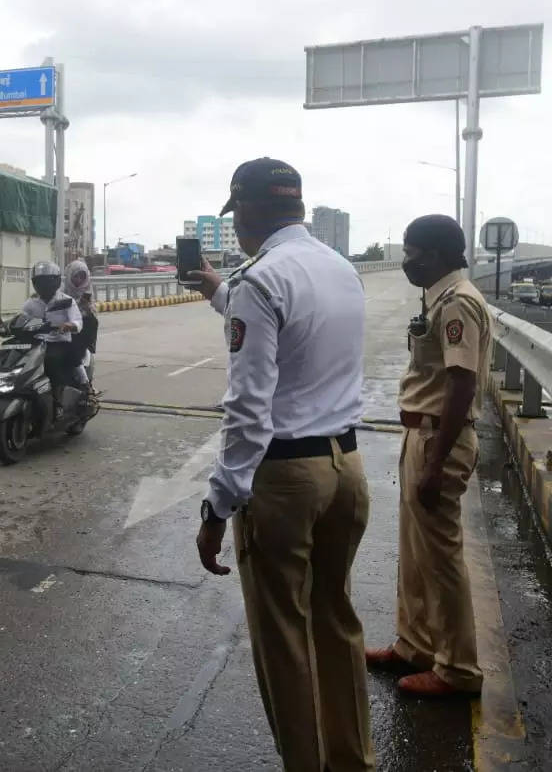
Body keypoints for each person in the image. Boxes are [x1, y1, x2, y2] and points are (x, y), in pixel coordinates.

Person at [187, 157, 374, 771]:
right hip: (346, 466)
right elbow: (294, 339)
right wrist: (221, 292)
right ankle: (352, 760)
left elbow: (247, 410)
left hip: (287, 480)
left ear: (244, 212)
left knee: (284, 639)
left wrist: (219, 505)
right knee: (336, 622)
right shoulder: (341, 269)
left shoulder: (261, 279)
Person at [365, 214, 491, 698]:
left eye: (412, 252)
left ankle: (458, 670)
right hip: (423, 436)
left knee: (440, 559)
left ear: (437, 253)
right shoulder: (439, 297)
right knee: (415, 554)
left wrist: (436, 464)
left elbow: (462, 383)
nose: (405, 261)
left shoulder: (457, 303)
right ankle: (414, 645)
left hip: (439, 440)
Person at [21, 261, 83, 393]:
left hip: (58, 342)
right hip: (37, 343)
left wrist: (69, 325)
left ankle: (79, 385)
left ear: (56, 281)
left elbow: (77, 321)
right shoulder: (31, 303)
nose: (43, 285)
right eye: (39, 281)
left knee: (56, 358)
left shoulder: (66, 301)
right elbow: (21, 318)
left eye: (46, 281)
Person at [63, 259, 98, 390]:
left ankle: (85, 384)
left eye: (81, 277)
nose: (78, 280)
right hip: (60, 330)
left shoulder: (87, 292)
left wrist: (86, 307)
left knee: (73, 351)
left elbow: (92, 319)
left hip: (79, 333)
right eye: (75, 276)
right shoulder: (61, 291)